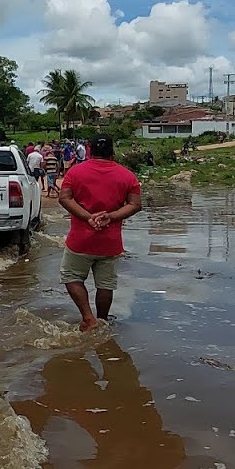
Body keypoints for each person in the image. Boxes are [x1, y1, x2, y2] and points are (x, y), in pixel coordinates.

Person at [58, 134, 142, 332]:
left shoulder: (75, 172)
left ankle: (88, 318)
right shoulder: (128, 176)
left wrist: (88, 217)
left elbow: (64, 198)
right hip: (110, 242)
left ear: (90, 151)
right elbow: (135, 205)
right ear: (112, 153)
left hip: (80, 241)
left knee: (71, 276)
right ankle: (102, 320)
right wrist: (111, 217)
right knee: (105, 284)